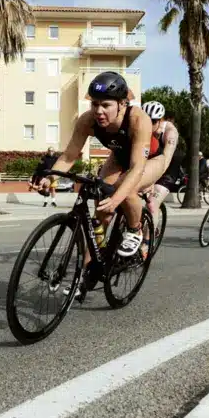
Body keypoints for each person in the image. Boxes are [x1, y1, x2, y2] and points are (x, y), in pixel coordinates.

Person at [48, 71, 157, 300]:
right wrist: (51, 177)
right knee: (100, 216)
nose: (98, 111)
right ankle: (87, 274)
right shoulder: (88, 120)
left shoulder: (138, 119)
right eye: (95, 104)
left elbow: (137, 168)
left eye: (105, 105)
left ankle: (135, 230)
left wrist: (117, 198)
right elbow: (69, 156)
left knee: (124, 190)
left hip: (149, 160)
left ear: (122, 103)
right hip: (118, 158)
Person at [139, 101, 179, 233]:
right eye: (147, 120)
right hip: (151, 164)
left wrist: (151, 181)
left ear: (161, 120)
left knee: (151, 203)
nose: (150, 125)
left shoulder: (170, 133)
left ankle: (146, 241)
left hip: (168, 169)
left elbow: (165, 160)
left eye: (154, 121)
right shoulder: (141, 127)